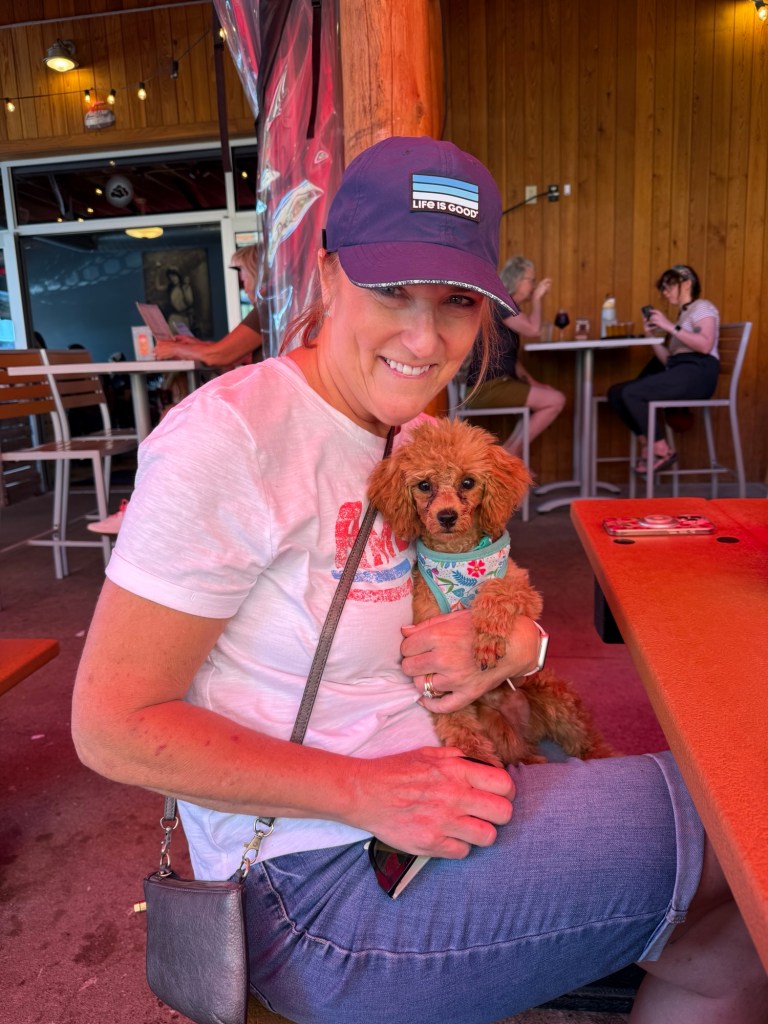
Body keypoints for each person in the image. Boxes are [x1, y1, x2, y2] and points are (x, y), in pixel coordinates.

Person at [71, 137, 766, 1024]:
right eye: (391, 290)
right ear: (327, 277)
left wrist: (521, 644)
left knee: (733, 922)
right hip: (317, 886)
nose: (424, 336)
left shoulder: (409, 440)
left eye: (457, 303)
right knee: (747, 825)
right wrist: (363, 790)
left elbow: (480, 594)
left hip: (443, 792)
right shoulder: (230, 439)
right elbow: (111, 727)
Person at [606, 264, 720, 475]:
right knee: (617, 393)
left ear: (687, 284)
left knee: (633, 393)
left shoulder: (702, 307)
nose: (665, 293)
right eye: (664, 289)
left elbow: (705, 345)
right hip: (682, 370)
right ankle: (649, 445)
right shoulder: (683, 315)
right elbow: (670, 361)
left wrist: (670, 327)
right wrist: (651, 337)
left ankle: (662, 450)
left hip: (699, 373)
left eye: (669, 287)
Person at [463, 256, 566, 457]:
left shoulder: (502, 305)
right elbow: (533, 329)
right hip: (486, 389)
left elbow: (511, 358)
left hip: (492, 385)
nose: (534, 285)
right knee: (556, 400)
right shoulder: (500, 304)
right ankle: (509, 455)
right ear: (517, 280)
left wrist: (533, 382)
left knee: (548, 396)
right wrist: (537, 299)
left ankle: (508, 455)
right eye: (531, 280)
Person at [154, 245, 263, 370]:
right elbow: (237, 353)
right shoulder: (267, 309)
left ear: (255, 273)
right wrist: (198, 345)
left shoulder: (264, 311)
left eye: (242, 272)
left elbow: (220, 355)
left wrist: (175, 349)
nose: (241, 281)